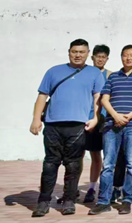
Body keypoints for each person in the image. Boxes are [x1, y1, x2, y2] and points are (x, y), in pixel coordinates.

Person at [30, 39, 105, 218]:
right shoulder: (53, 71)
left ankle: (69, 200)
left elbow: (98, 98)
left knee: (73, 165)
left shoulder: (94, 73)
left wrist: (95, 118)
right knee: (50, 164)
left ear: (88, 54)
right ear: (69, 52)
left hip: (78, 125)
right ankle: (43, 201)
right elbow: (42, 96)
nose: (78, 55)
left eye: (82, 52)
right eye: (74, 51)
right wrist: (36, 119)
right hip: (53, 124)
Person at [88, 45, 132, 215]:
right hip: (112, 125)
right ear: (121, 57)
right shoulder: (113, 77)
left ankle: (127, 199)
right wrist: (115, 116)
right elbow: (104, 99)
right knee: (109, 164)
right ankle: (103, 200)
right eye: (125, 55)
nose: (128, 58)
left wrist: (129, 115)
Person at [82, 44, 113, 203]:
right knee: (77, 156)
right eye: (98, 56)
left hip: (102, 121)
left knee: (98, 155)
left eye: (103, 57)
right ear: (92, 57)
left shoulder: (111, 75)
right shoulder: (84, 73)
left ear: (107, 59)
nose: (100, 59)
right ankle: (72, 189)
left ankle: (92, 188)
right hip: (82, 119)